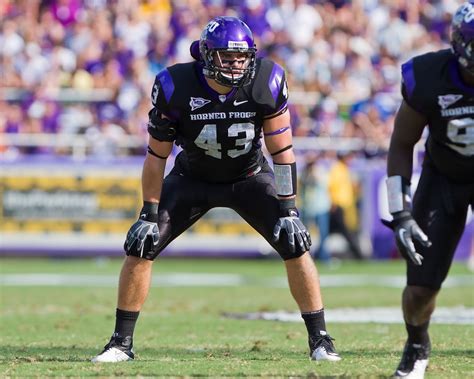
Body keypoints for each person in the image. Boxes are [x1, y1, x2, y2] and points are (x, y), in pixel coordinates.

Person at [92, 16, 340, 363]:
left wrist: (290, 208)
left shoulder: (266, 80)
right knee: (142, 244)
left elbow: (282, 152)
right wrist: (148, 212)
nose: (237, 64)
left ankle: (321, 340)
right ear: (207, 55)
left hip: (250, 176)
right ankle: (121, 343)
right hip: (193, 178)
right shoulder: (175, 85)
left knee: (295, 243)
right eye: (227, 56)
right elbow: (156, 156)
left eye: (242, 57)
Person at [382, 2, 474, 378]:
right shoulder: (429, 76)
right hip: (445, 180)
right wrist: (400, 213)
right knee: (420, 289)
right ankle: (417, 343)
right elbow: (402, 144)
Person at [327, 151, 365, 260]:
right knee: (346, 232)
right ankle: (358, 255)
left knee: (345, 231)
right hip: (339, 206)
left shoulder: (344, 169)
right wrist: (333, 202)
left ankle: (357, 254)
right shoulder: (337, 169)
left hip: (347, 206)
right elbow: (332, 187)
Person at [300, 153, 332, 262]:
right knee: (304, 234)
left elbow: (322, 183)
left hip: (320, 207)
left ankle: (323, 256)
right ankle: (305, 256)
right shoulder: (304, 173)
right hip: (307, 207)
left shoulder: (320, 171)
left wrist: (314, 172)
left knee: (323, 234)